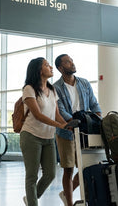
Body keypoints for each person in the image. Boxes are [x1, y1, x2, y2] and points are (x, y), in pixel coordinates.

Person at [20, 57, 79, 206]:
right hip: (31, 136)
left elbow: (56, 114)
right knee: (32, 176)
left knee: (50, 174)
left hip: (48, 137)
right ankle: (33, 202)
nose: (51, 67)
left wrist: (67, 124)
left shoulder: (52, 90)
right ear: (39, 70)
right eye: (47, 65)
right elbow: (38, 115)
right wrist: (61, 126)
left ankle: (31, 197)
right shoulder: (29, 89)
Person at [53, 54, 102, 206]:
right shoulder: (56, 87)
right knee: (68, 169)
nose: (72, 63)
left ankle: (67, 193)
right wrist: (73, 122)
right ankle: (69, 202)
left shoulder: (84, 83)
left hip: (85, 131)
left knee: (85, 167)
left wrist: (97, 118)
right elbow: (60, 110)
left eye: (72, 60)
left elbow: (94, 104)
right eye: (68, 62)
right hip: (66, 133)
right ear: (61, 68)